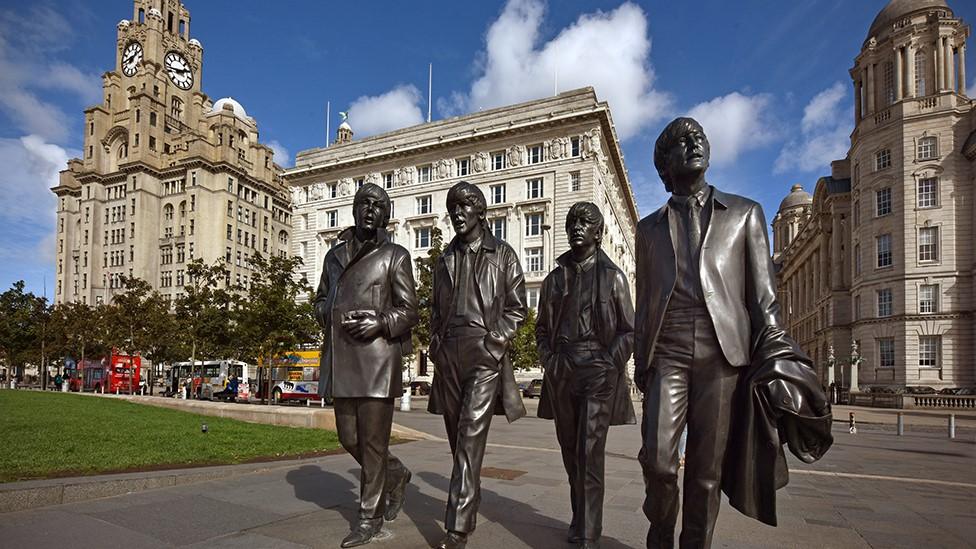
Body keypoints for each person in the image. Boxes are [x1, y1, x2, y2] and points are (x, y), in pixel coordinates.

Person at [634, 117, 829, 548]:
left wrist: (779, 358)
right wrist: (640, 364)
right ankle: (660, 536)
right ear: (664, 163)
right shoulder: (647, 229)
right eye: (681, 141)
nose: (694, 143)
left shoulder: (745, 214)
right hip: (666, 351)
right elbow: (644, 300)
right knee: (661, 463)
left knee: (706, 473)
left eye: (698, 137)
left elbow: (764, 300)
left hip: (723, 356)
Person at [314, 183, 418, 548]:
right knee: (348, 437)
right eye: (364, 204)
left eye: (377, 205)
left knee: (372, 444)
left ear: (385, 214)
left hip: (377, 358)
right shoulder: (335, 255)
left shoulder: (395, 256)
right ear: (355, 210)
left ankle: (368, 518)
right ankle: (396, 473)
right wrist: (329, 311)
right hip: (342, 356)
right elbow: (321, 299)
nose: (370, 210)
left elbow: (409, 310)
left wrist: (378, 322)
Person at [427, 181, 528, 549]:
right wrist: (436, 346)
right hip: (449, 354)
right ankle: (471, 498)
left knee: (470, 435)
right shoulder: (445, 259)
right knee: (458, 440)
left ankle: (457, 526)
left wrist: (495, 341)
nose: (457, 213)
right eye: (453, 207)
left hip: (484, 353)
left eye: (464, 207)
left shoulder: (503, 254)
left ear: (481, 213)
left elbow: (518, 307)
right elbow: (435, 310)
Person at [536, 202, 636, 549]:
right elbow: (541, 330)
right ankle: (580, 516)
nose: (577, 227)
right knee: (570, 451)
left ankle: (588, 533)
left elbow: (628, 329)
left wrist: (610, 362)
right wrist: (549, 360)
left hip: (598, 368)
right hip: (563, 368)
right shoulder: (554, 278)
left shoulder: (613, 277)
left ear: (599, 232)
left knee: (589, 450)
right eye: (572, 222)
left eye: (586, 222)